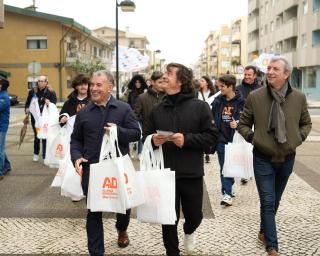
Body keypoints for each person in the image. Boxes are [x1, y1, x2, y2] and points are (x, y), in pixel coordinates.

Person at [237, 56, 312, 256]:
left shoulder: (299, 97)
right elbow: (243, 124)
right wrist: (254, 138)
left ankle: (263, 230)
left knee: (275, 200)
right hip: (263, 157)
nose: (269, 72)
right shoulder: (256, 96)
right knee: (268, 201)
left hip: (287, 158)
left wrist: (298, 138)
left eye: (275, 69)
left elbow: (306, 123)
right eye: (268, 68)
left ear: (286, 74)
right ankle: (272, 246)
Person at [144, 63, 218, 256]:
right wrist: (153, 140)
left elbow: (212, 138)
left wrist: (187, 139)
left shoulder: (200, 107)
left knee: (195, 216)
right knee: (169, 218)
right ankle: (172, 252)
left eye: (169, 73)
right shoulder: (157, 109)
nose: (164, 76)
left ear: (182, 80)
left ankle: (190, 230)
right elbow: (146, 136)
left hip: (191, 172)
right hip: (165, 173)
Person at [70, 70, 141, 256]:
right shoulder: (84, 112)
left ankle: (122, 228)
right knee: (93, 212)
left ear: (110, 87)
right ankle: (96, 252)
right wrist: (76, 157)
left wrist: (119, 132)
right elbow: (75, 140)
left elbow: (136, 133)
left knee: (123, 206)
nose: (93, 88)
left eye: (98, 85)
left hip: (117, 169)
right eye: (92, 84)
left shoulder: (123, 109)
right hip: (92, 169)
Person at [211, 74, 244, 206]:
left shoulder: (242, 102)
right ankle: (227, 193)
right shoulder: (218, 101)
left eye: (222, 86)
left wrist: (239, 123)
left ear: (230, 86)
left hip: (235, 140)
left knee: (232, 166)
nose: (220, 89)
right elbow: (211, 117)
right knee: (224, 167)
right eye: (219, 86)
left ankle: (228, 187)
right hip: (221, 139)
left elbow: (249, 119)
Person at [236, 65, 263, 185]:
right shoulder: (238, 88)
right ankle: (244, 173)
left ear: (254, 75)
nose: (246, 77)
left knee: (256, 147)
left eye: (249, 75)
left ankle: (254, 169)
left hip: (258, 122)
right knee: (243, 147)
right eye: (245, 74)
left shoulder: (262, 88)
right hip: (243, 122)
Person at [25, 75, 57, 162]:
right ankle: (36, 154)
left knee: (45, 137)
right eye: (39, 81)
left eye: (42, 81)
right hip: (35, 118)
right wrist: (27, 108)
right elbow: (28, 102)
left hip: (46, 119)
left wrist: (48, 103)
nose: (40, 82)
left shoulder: (51, 92)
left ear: (46, 82)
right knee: (37, 136)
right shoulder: (33, 91)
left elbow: (54, 105)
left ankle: (45, 156)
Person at [134, 71, 165, 136]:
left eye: (164, 82)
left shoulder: (167, 97)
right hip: (148, 135)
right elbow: (135, 115)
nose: (162, 85)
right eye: (160, 82)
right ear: (153, 82)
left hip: (165, 135)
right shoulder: (142, 97)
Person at [196, 75, 218, 163]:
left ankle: (207, 153)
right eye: (200, 81)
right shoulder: (197, 92)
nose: (200, 82)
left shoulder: (213, 93)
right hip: (198, 115)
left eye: (202, 81)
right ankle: (201, 152)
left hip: (210, 115)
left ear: (207, 83)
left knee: (207, 133)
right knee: (199, 133)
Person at [0, 76, 12, 180]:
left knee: (0, 148)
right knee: (1, 147)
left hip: (2, 126)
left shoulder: (4, 97)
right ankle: (7, 165)